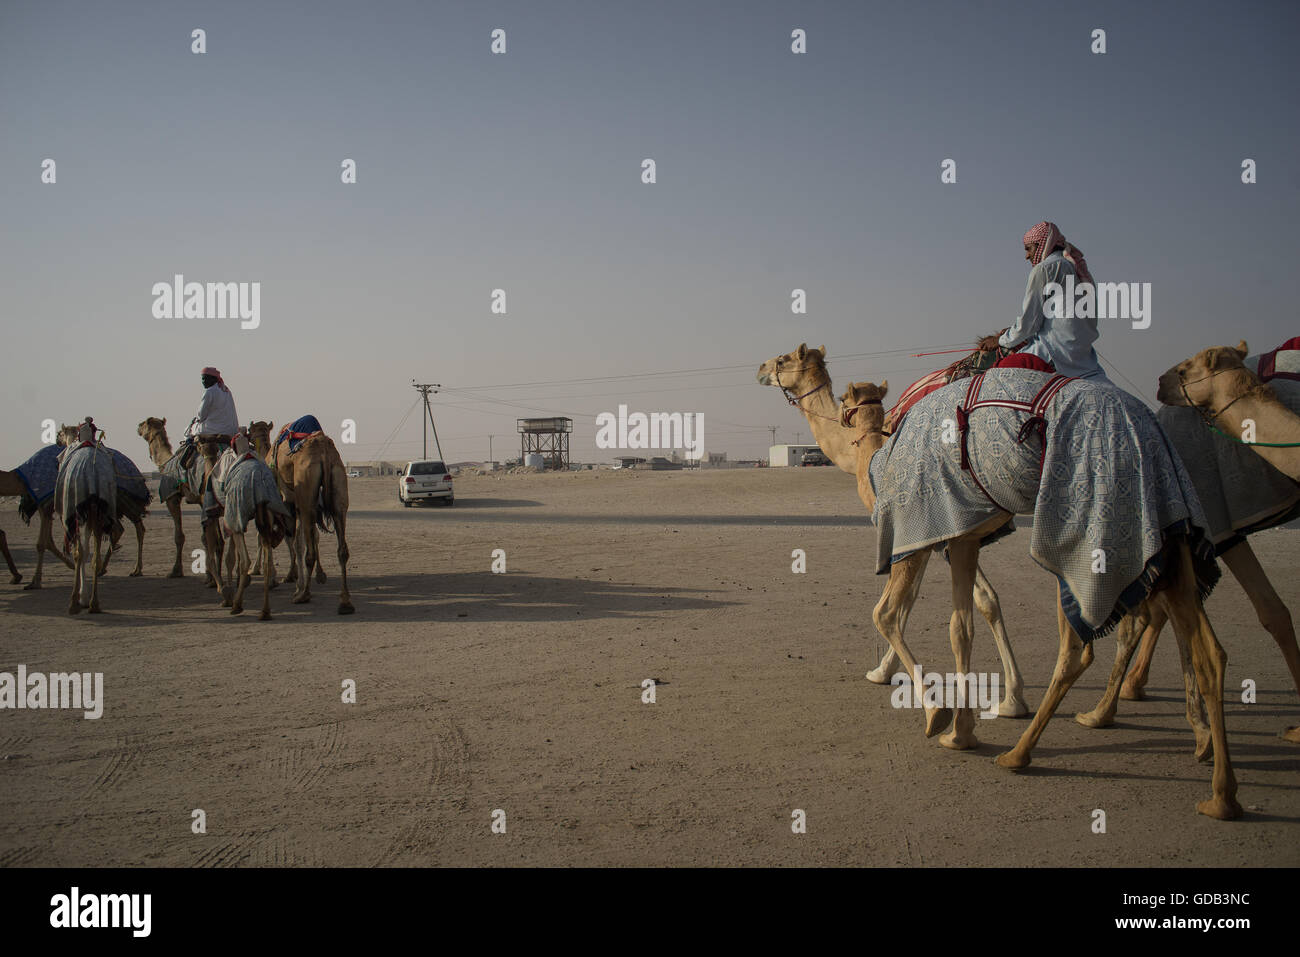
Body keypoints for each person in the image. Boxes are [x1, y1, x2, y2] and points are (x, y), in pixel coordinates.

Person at [983, 222, 1113, 384]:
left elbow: (1029, 323)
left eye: (1028, 249)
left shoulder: (1045, 269)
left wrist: (1001, 340)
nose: (1026, 256)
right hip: (1084, 362)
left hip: (1053, 354)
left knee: (996, 379)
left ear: (1040, 246)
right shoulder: (1074, 268)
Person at [180, 367, 240, 469]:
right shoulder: (226, 391)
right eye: (202, 379)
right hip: (231, 430)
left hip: (214, 429)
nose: (203, 382)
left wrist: (195, 421)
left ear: (214, 379)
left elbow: (201, 416)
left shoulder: (210, 392)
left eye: (206, 378)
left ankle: (187, 457)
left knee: (188, 430)